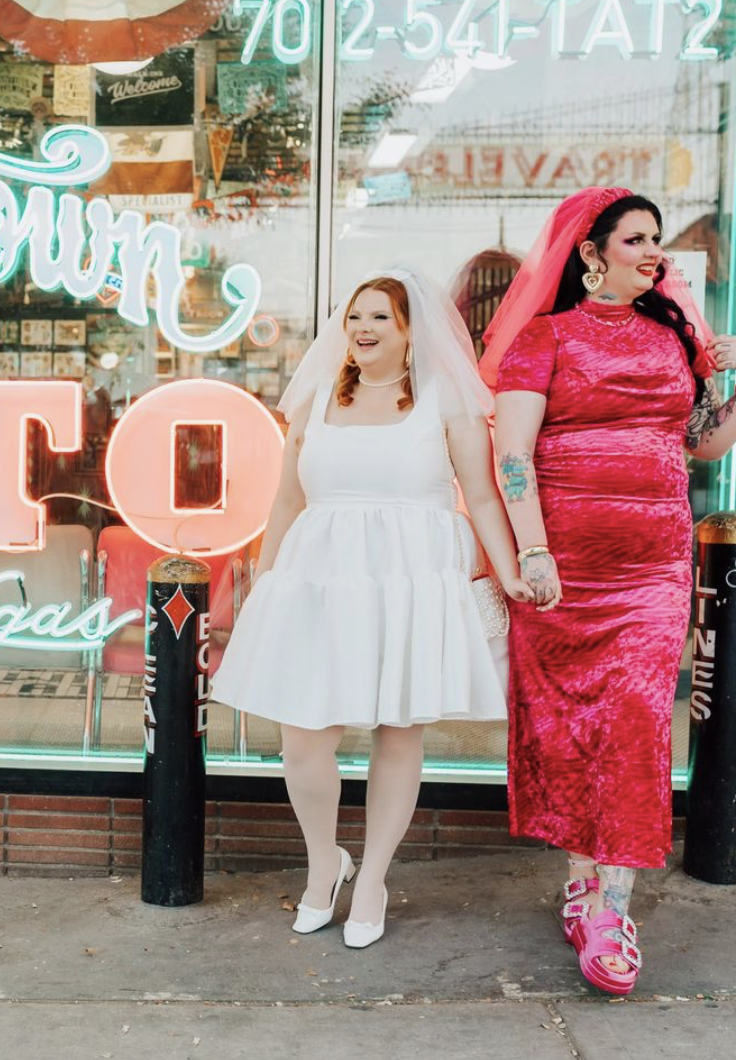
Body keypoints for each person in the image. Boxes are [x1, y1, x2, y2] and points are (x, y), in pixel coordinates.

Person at [479, 187, 736, 995]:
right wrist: (532, 551)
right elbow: (512, 456)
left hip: (654, 570)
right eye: (636, 239)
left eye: (658, 240)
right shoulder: (545, 339)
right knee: (578, 731)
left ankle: (613, 907)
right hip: (565, 570)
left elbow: (701, 447)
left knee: (637, 724)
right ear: (590, 253)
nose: (654, 252)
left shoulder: (672, 339)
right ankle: (580, 883)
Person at [213, 267, 533, 949]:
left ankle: (374, 878)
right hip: (320, 578)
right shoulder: (317, 401)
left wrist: (512, 572)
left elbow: (481, 496)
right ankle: (324, 861)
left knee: (398, 730)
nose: (362, 328)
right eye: (355, 315)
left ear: (411, 329)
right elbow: (287, 501)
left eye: (380, 317)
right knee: (302, 738)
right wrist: (261, 586)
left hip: (412, 579)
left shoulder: (445, 401)